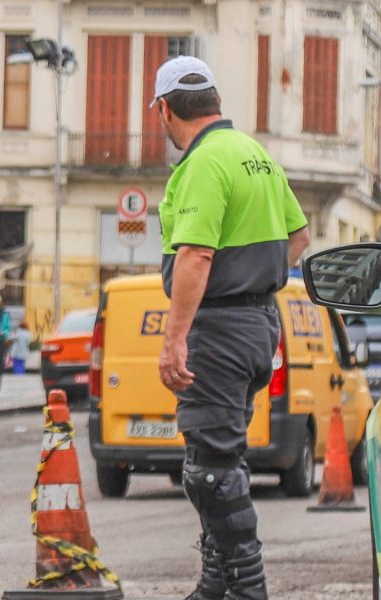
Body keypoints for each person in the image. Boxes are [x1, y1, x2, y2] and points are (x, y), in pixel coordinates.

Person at [153, 56, 310, 600]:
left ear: (165, 110)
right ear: (215, 101)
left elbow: (195, 254)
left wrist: (176, 339)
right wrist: (254, 279)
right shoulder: (255, 155)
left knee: (213, 471)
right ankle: (215, 586)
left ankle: (246, 589)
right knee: (211, 459)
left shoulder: (205, 162)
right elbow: (298, 237)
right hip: (259, 323)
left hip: (218, 331)